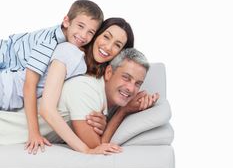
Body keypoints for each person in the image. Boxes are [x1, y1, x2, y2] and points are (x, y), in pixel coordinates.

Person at [0, 48, 158, 155]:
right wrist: (123, 112)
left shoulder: (102, 98)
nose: (131, 88)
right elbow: (96, 147)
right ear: (109, 72)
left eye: (138, 83)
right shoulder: (86, 89)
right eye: (126, 77)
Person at [0, 0, 104, 150]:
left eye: (90, 32)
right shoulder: (48, 42)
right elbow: (30, 85)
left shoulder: (69, 48)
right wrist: (34, 132)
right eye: (80, 26)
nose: (83, 35)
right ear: (66, 21)